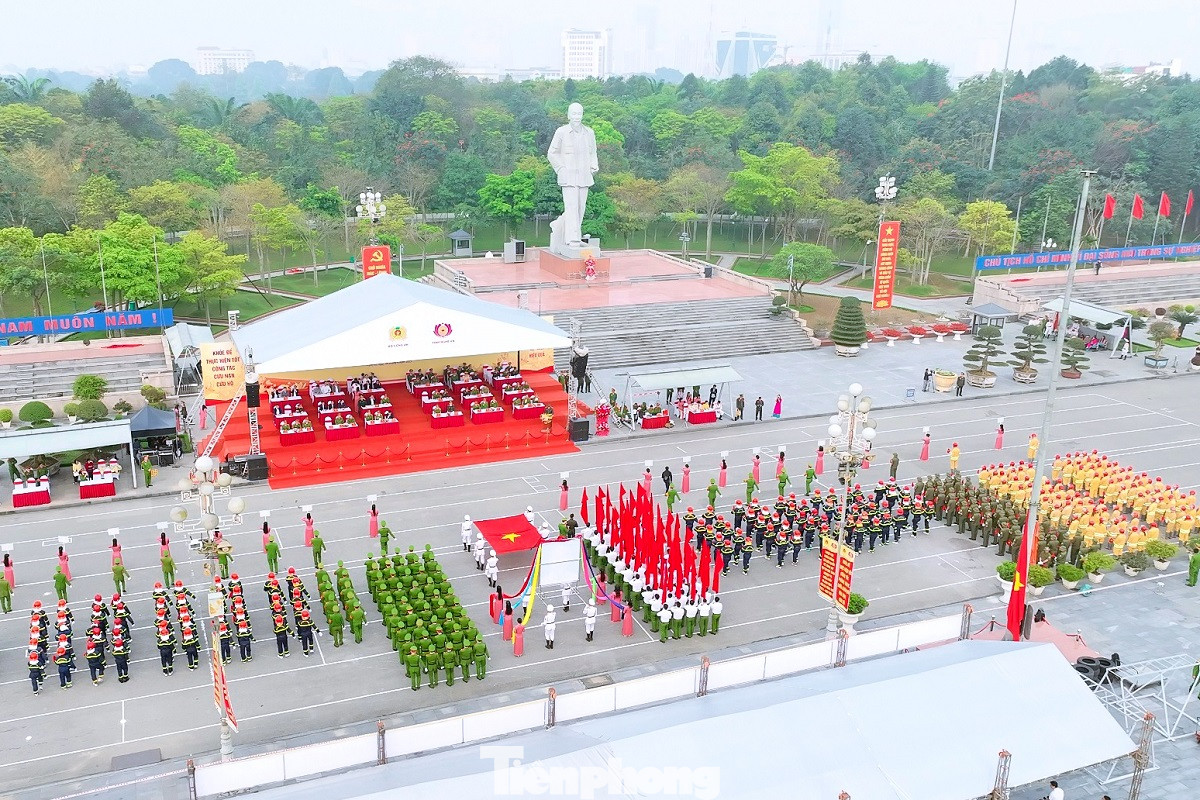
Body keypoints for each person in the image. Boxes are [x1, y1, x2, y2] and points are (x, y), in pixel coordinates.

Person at [546, 102, 599, 248]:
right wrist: (561, 168)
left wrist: (594, 165)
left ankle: (567, 230)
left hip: (584, 176)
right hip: (568, 177)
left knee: (580, 208)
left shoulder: (589, 133)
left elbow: (593, 152)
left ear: (583, 115)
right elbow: (552, 153)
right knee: (571, 207)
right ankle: (572, 239)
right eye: (574, 114)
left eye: (579, 113)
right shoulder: (561, 132)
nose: (577, 117)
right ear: (568, 115)